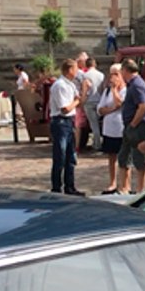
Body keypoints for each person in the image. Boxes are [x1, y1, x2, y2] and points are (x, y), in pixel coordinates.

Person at [48, 58, 83, 196]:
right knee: (60, 156)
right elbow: (65, 108)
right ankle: (56, 187)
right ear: (69, 70)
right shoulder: (60, 85)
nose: (77, 72)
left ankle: (70, 186)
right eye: (75, 69)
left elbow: (78, 99)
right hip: (61, 122)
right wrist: (76, 101)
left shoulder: (70, 85)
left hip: (69, 122)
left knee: (70, 156)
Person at [117, 59, 145, 194]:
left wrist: (133, 124)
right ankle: (125, 188)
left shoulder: (137, 85)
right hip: (130, 125)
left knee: (138, 157)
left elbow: (143, 106)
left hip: (138, 126)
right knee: (124, 157)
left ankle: (140, 190)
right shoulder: (132, 84)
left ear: (125, 70)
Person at [97, 63, 125, 194]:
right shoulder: (106, 91)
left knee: (124, 158)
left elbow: (120, 103)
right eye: (111, 74)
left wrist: (115, 90)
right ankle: (112, 182)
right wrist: (112, 109)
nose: (113, 77)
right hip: (109, 128)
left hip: (121, 128)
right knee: (111, 156)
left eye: (116, 74)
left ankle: (124, 184)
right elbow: (100, 109)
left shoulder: (125, 90)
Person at [81, 57, 105, 152]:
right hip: (99, 100)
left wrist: (82, 102)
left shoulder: (85, 75)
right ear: (95, 64)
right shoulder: (101, 75)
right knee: (99, 123)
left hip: (89, 101)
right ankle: (99, 142)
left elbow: (84, 90)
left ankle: (97, 144)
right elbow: (102, 88)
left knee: (93, 124)